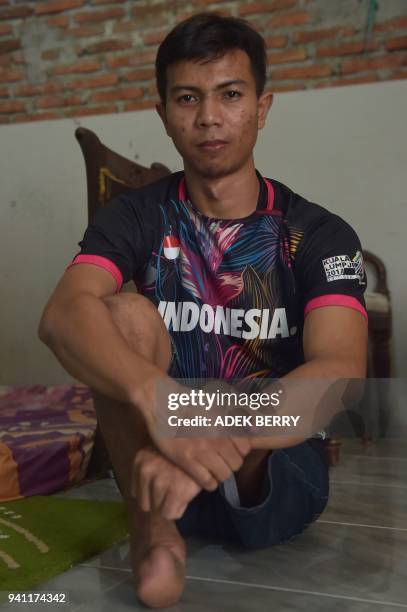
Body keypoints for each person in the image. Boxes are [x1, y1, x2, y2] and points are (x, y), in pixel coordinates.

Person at [38, 12, 368, 609]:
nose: (209, 117)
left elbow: (340, 371)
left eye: (230, 95)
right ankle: (154, 530)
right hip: (155, 452)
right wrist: (160, 401)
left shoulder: (316, 232)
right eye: (188, 98)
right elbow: (62, 315)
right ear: (163, 115)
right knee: (122, 315)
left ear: (262, 108)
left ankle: (179, 488)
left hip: (270, 466)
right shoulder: (136, 215)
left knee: (292, 395)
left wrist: (208, 442)